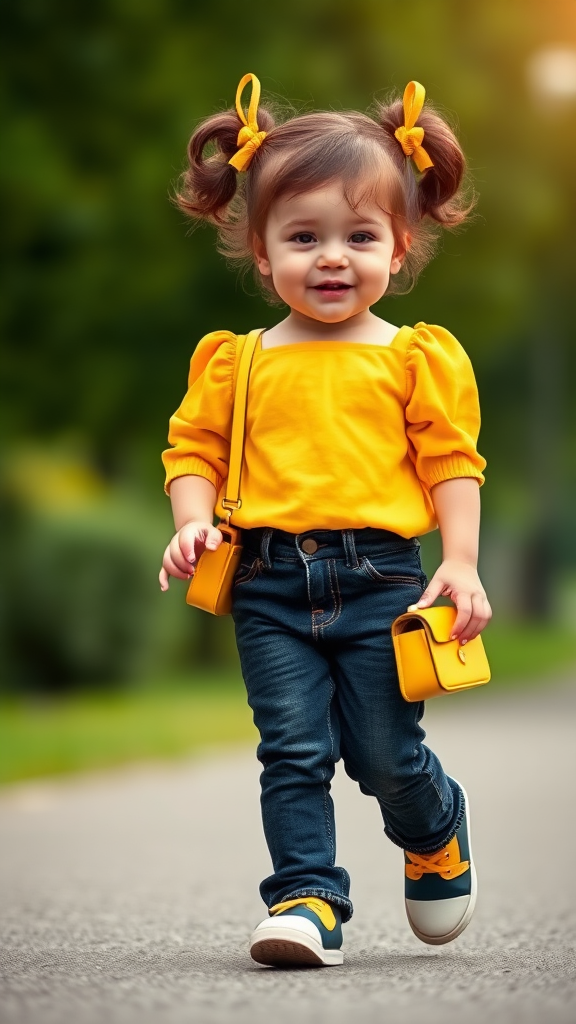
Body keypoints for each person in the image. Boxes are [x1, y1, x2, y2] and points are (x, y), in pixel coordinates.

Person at [159, 73, 491, 968]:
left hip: (380, 578)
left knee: (384, 756)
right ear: (262, 253)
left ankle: (434, 829)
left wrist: (458, 560)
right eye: (304, 237)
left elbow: (451, 462)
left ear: (400, 244)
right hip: (269, 583)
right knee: (294, 750)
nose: (332, 257)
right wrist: (191, 521)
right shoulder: (239, 364)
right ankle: (307, 899)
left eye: (359, 236)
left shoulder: (414, 358)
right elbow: (190, 451)